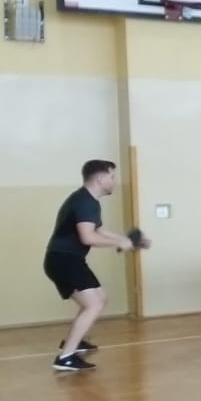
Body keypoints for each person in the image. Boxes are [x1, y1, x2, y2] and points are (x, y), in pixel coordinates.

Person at [44, 159, 147, 372]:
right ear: (100, 178)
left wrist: (124, 240)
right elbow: (88, 237)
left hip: (67, 260)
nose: (114, 181)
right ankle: (65, 358)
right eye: (112, 177)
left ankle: (74, 342)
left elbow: (98, 230)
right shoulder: (85, 202)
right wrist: (120, 243)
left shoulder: (86, 199)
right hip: (64, 261)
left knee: (100, 298)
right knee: (94, 304)